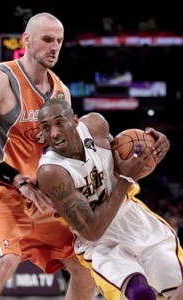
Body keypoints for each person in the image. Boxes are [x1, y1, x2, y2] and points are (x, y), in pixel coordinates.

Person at [0, 12, 96, 300]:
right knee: (6, 259)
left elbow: (65, 157)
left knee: (88, 263)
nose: (54, 47)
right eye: (47, 39)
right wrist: (18, 179)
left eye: (59, 41)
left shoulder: (61, 94)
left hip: (36, 195)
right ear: (27, 39)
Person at [37, 99, 183, 300]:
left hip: (132, 219)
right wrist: (127, 179)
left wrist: (152, 147)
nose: (53, 133)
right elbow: (92, 231)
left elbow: (127, 162)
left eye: (60, 123)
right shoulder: (51, 171)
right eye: (46, 128)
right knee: (140, 293)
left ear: (75, 121)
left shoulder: (96, 126)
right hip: (101, 242)